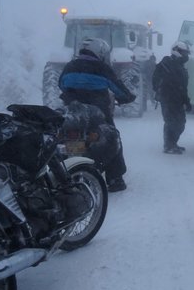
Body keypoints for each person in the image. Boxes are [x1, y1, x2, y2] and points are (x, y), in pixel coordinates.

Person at [58, 37, 136, 193]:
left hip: (73, 115)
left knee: (62, 139)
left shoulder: (69, 67)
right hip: (97, 115)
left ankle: (62, 173)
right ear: (100, 52)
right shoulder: (103, 68)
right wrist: (127, 97)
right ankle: (115, 179)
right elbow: (120, 90)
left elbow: (61, 84)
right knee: (113, 139)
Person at [152, 41, 192, 154]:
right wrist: (162, 90)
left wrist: (187, 101)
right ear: (176, 51)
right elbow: (155, 80)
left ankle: (173, 143)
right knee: (171, 122)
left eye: (186, 53)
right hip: (168, 99)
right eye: (184, 53)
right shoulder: (166, 64)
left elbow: (183, 87)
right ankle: (168, 146)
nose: (186, 56)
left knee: (181, 123)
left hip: (178, 99)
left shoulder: (181, 67)